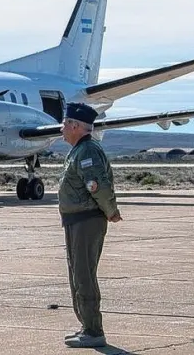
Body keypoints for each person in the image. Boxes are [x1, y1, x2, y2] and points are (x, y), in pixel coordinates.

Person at [58, 102, 121, 349]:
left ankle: (94, 330)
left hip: (86, 219)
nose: (62, 128)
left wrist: (111, 211)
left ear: (76, 126)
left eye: (65, 124)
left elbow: (97, 185)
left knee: (84, 275)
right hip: (76, 220)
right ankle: (87, 326)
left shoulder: (87, 152)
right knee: (77, 274)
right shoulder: (77, 150)